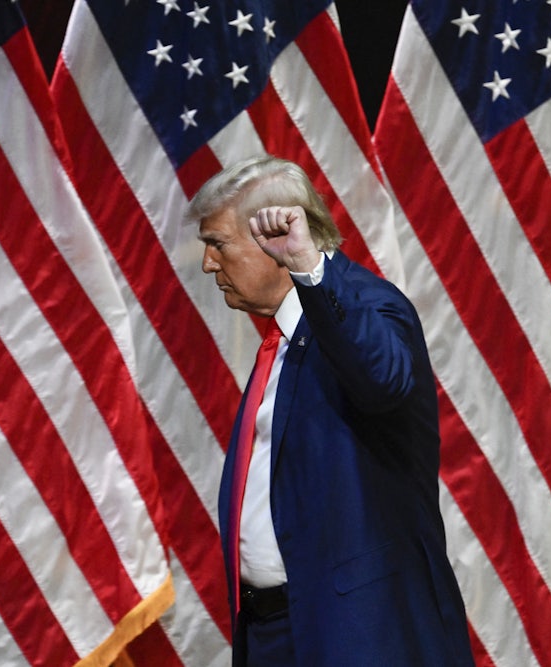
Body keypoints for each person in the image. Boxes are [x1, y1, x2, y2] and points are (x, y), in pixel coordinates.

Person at [189, 155, 475, 666]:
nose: (209, 264)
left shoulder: (367, 306)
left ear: (275, 241)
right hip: (275, 635)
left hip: (360, 637)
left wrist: (310, 269)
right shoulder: (281, 337)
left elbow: (383, 380)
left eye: (218, 244)